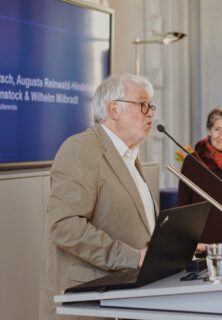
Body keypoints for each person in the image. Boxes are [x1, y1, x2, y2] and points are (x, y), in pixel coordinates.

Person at [47, 73, 158, 319]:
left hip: (127, 297)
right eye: (142, 104)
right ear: (114, 109)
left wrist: (175, 249)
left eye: (150, 105)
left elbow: (134, 226)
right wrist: (133, 257)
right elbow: (65, 227)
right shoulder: (80, 149)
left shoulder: (129, 157)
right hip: (92, 300)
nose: (150, 112)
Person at [178, 107, 222, 246]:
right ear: (209, 130)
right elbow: (183, 205)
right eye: (217, 129)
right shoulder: (192, 161)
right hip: (203, 241)